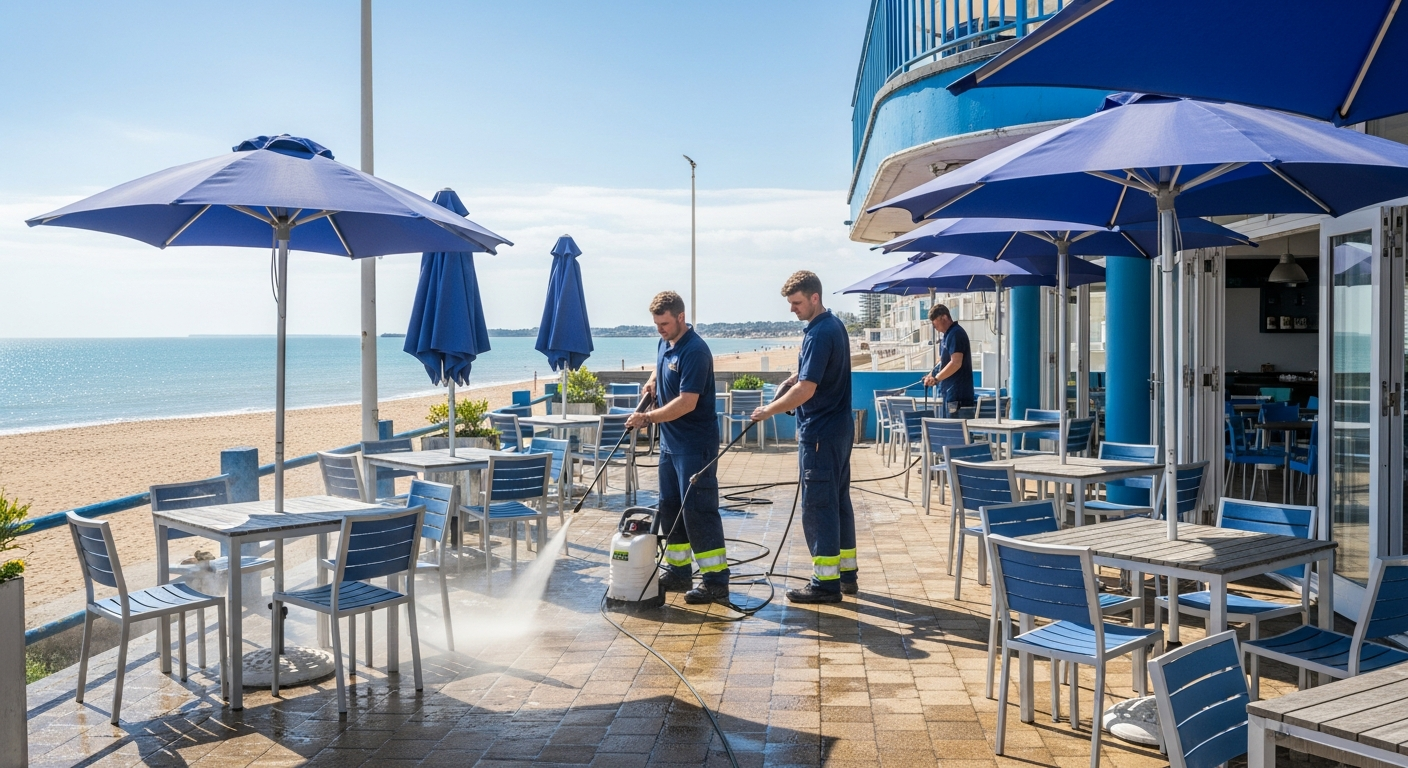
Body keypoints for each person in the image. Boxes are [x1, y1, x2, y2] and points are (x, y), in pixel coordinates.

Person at [751, 271, 855, 603]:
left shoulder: (820, 333)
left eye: (796, 303)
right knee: (838, 501)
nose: (792, 310)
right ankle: (847, 574)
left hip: (821, 434)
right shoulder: (833, 326)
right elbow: (809, 375)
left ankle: (825, 585)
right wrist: (793, 378)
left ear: (814, 298)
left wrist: (768, 410)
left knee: (819, 505)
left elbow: (807, 390)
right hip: (839, 430)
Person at [625, 291, 729, 605]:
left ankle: (715, 582)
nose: (660, 329)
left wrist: (646, 417)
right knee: (670, 507)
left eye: (665, 324)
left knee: (698, 510)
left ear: (681, 318)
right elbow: (663, 364)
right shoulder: (664, 343)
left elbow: (687, 402)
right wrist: (653, 379)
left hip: (695, 445)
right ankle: (679, 570)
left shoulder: (696, 351)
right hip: (670, 446)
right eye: (657, 324)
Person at [922, 304, 975, 416]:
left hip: (959, 396)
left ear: (944, 317)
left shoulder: (956, 333)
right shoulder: (946, 336)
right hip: (949, 394)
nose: (933, 326)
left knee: (957, 432)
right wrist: (930, 375)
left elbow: (956, 363)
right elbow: (942, 362)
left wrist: (936, 379)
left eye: (934, 321)